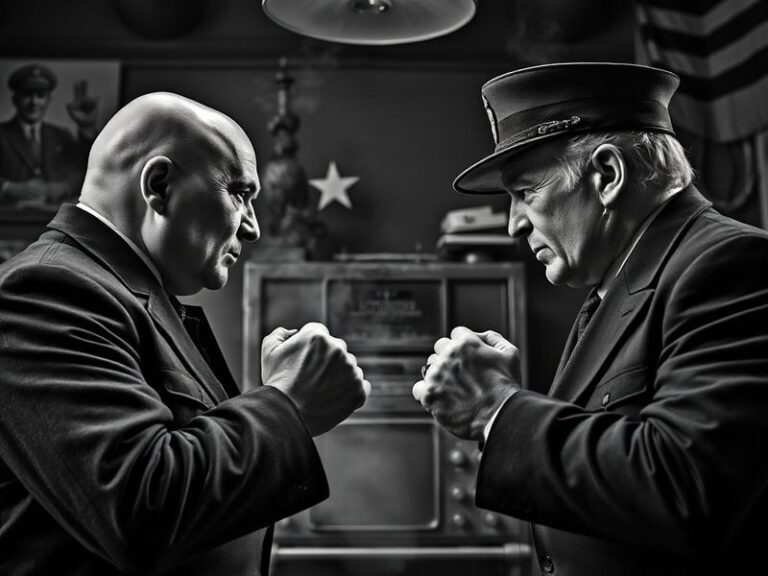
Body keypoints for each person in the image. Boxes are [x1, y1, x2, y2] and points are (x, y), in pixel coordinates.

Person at [413, 62, 768, 576]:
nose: (513, 224)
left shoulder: (732, 265)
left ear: (607, 175)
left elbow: (687, 485)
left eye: (526, 192)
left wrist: (496, 408)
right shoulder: (619, 282)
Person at [0, 92, 370, 575]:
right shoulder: (45, 289)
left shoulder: (122, 293)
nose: (253, 228)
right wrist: (288, 404)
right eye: (239, 193)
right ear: (159, 186)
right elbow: (139, 507)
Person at [0, 63, 98, 207]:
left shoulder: (61, 136)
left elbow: (86, 168)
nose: (34, 102)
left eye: (40, 96)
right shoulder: (2, 134)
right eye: (27, 94)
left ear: (48, 100)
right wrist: (8, 187)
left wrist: (86, 127)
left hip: (52, 216)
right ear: (15, 99)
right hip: (9, 216)